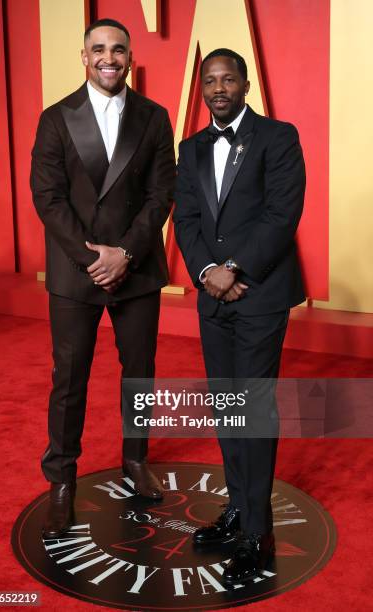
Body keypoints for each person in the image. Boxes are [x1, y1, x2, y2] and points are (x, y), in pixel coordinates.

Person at [30, 18, 175, 538]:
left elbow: (162, 194)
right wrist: (94, 258)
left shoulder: (155, 118)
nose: (108, 57)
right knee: (69, 381)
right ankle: (62, 480)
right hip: (77, 271)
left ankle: (135, 460)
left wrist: (125, 254)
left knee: (139, 373)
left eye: (118, 49)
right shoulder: (55, 119)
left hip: (135, 269)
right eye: (98, 49)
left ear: (130, 57)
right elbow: (48, 197)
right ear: (84, 57)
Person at [173, 48, 305, 583]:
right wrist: (207, 270)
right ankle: (236, 512)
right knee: (227, 407)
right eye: (211, 80)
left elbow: (282, 213)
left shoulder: (278, 136)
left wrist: (232, 267)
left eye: (229, 78)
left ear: (246, 84)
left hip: (261, 294)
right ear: (202, 89)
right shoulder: (192, 147)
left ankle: (258, 529)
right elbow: (185, 218)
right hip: (212, 295)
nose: (219, 87)